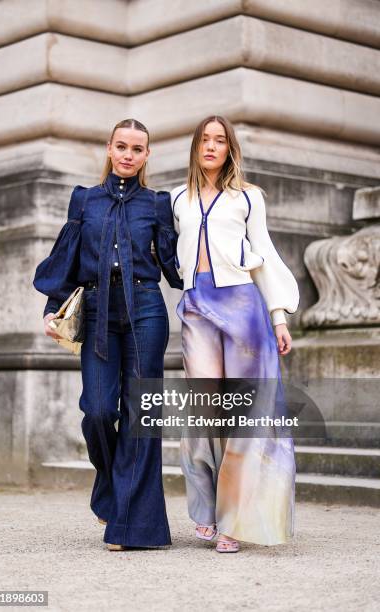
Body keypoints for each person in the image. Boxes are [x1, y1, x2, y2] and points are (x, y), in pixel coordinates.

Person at [33, 118, 183, 551]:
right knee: (98, 410)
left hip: (147, 312)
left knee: (142, 417)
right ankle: (111, 488)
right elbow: (67, 256)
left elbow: (174, 268)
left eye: (138, 149)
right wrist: (52, 308)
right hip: (98, 311)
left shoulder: (157, 204)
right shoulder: (84, 200)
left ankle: (131, 527)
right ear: (109, 148)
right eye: (122, 146)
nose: (129, 155)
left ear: (147, 155)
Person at [171, 115, 300, 553]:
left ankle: (235, 520)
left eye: (219, 140)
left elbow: (265, 256)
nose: (211, 146)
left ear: (229, 149)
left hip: (244, 309)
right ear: (195, 146)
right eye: (204, 139)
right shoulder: (176, 199)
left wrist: (279, 317)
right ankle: (207, 510)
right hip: (196, 309)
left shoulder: (248, 198)